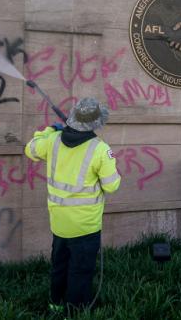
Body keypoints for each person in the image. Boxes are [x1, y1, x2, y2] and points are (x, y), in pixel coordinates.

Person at [24, 97, 121, 311]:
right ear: (96, 123)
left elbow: (30, 149)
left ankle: (56, 305)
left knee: (59, 265)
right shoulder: (100, 149)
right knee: (80, 270)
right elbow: (112, 186)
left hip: (59, 222)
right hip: (85, 225)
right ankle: (74, 312)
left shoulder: (53, 140)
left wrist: (49, 130)